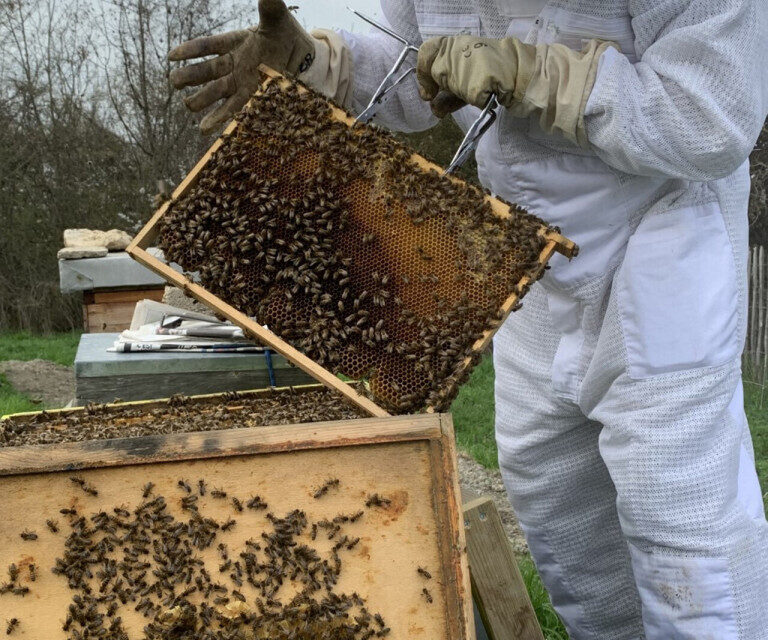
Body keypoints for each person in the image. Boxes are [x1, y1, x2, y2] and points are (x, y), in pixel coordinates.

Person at [168, 1, 768, 637]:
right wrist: (319, 62)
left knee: (681, 524)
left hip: (658, 249)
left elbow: (710, 116)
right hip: (523, 256)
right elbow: (418, 69)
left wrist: (543, 75)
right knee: (559, 516)